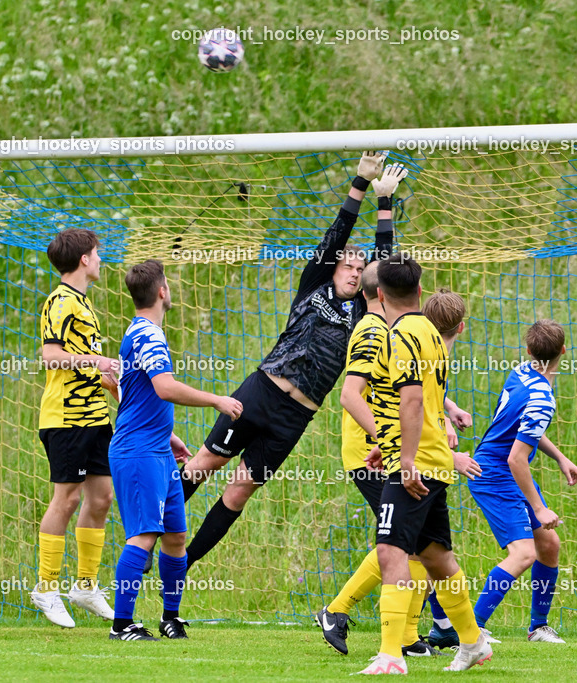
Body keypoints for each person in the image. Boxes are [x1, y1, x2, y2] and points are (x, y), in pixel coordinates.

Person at [177, 153, 398, 569]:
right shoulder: (314, 284)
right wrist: (360, 183)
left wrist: (384, 201)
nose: (354, 273)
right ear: (333, 269)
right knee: (206, 462)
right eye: (347, 266)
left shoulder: (364, 311)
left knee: (239, 491)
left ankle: (182, 564)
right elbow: (336, 235)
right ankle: (150, 534)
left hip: (295, 416)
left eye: (359, 269)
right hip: (261, 392)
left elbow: (385, 267)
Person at [319, 286, 479, 657]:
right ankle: (345, 614)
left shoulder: (418, 341)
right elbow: (370, 396)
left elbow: (416, 395)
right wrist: (398, 444)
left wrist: (447, 411)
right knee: (398, 544)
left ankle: (415, 638)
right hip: (382, 455)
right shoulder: (379, 331)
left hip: (400, 453)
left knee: (419, 548)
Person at [359, 254, 491, 675]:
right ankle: (472, 641)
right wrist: (392, 445)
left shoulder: (401, 336)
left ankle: (390, 655)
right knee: (435, 555)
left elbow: (413, 401)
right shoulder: (431, 333)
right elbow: (427, 400)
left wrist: (405, 458)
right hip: (431, 457)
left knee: (390, 551)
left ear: (380, 296)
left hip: (415, 463)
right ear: (419, 291)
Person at [107, 260, 242, 641]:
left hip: (158, 450)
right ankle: (122, 624)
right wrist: (216, 400)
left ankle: (170, 617)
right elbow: (164, 387)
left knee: (175, 536)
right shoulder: (148, 336)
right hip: (138, 452)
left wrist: (169, 437)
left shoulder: (141, 332)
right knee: (144, 535)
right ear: (162, 291)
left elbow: (130, 394)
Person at [467, 319, 577, 643]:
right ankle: (471, 630)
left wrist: (560, 458)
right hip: (494, 475)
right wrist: (539, 508)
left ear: (529, 350)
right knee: (523, 554)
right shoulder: (542, 398)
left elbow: (525, 430)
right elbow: (516, 459)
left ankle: (538, 627)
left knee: (549, 544)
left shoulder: (521, 373)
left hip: (503, 472)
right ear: (563, 350)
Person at [31, 228, 120, 628]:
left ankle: (85, 587)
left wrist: (110, 383)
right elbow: (51, 356)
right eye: (97, 253)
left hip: (96, 417)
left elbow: (82, 364)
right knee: (65, 500)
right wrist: (96, 361)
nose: (100, 259)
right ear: (84, 258)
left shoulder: (83, 304)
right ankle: (46, 588)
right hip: (67, 418)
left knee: (101, 499)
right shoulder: (61, 301)